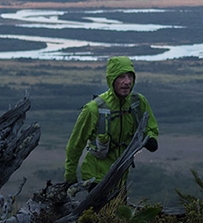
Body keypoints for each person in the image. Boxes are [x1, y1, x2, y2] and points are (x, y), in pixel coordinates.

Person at [64, 56, 159, 187]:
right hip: (95, 176)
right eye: (121, 77)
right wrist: (70, 176)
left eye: (130, 76)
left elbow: (150, 126)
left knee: (120, 207)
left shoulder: (137, 102)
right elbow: (75, 144)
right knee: (105, 208)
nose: (127, 82)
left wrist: (151, 138)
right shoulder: (94, 109)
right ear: (111, 80)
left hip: (121, 173)